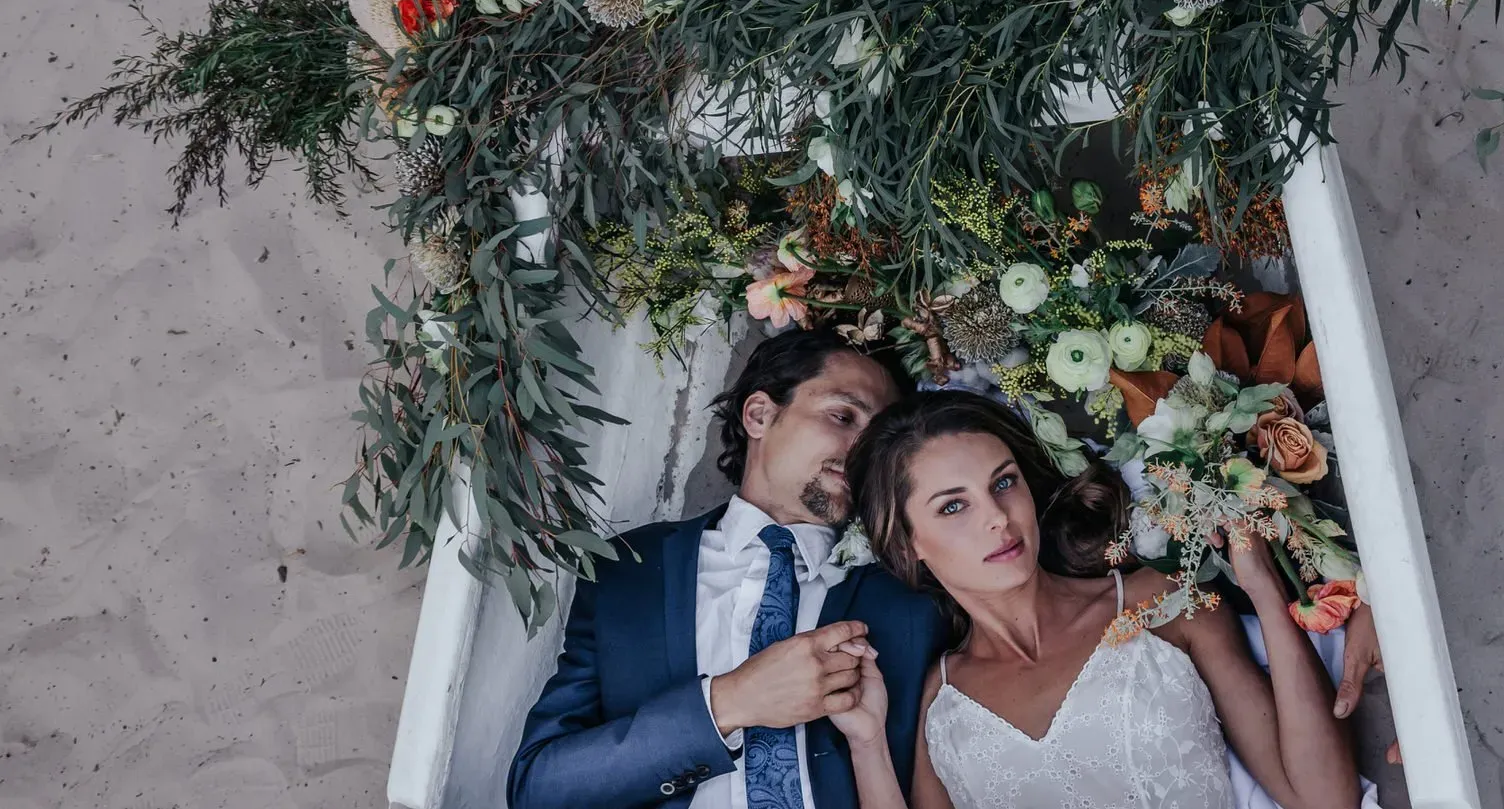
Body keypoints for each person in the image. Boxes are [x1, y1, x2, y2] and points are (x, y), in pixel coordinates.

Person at [834, 390, 1368, 809]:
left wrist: (1264, 589)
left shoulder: (1163, 603)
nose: (997, 517)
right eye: (953, 507)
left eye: (1003, 483)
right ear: (908, 544)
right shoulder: (940, 703)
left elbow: (1324, 798)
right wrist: (866, 744)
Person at [506, 327, 944, 809]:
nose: (863, 449)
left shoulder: (916, 591)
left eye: (878, 436)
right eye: (843, 416)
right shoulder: (629, 571)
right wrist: (731, 702)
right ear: (759, 414)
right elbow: (539, 788)